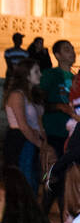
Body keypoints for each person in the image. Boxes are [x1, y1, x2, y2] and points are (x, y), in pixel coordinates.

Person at [40, 40, 76, 213]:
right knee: (54, 177)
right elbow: (40, 102)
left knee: (66, 180)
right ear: (57, 55)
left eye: (73, 49)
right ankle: (42, 216)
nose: (72, 52)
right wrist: (59, 107)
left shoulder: (77, 78)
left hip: (72, 135)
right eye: (67, 50)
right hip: (55, 132)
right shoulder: (50, 76)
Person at [4, 59, 49, 194]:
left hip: (32, 140)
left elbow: (38, 122)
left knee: (34, 181)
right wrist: (40, 145)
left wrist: (44, 141)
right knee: (25, 181)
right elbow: (23, 125)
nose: (40, 74)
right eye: (36, 72)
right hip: (21, 140)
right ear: (26, 76)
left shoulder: (33, 95)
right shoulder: (17, 95)